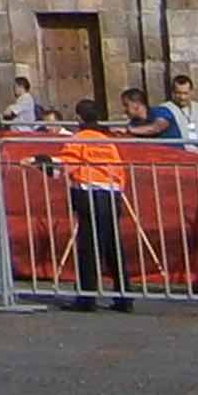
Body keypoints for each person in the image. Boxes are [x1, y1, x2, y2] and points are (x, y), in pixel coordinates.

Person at [58, 102, 132, 310]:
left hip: (89, 192)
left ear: (79, 118)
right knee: (113, 248)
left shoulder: (79, 139)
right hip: (112, 193)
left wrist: (39, 162)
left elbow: (65, 164)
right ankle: (124, 297)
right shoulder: (106, 141)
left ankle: (86, 297)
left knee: (88, 248)